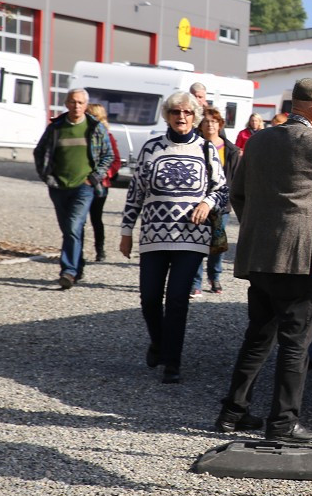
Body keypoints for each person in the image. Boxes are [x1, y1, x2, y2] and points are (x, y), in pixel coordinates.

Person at [215, 77, 312, 442]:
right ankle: (283, 423)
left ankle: (232, 413)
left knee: (258, 336)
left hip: (259, 252)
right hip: (297, 256)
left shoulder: (259, 140)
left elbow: (238, 194)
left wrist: (260, 227)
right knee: (295, 342)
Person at [119, 91, 226, 384]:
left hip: (191, 238)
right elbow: (136, 192)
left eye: (187, 113)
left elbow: (222, 189)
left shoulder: (206, 149)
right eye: (176, 112)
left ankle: (172, 363)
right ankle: (158, 342)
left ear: (195, 116)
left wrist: (207, 203)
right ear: (167, 115)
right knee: (150, 298)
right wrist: (126, 231)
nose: (181, 117)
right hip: (154, 235)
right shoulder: (151, 148)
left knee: (178, 299)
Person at [34, 88, 114, 290]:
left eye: (80, 102)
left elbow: (108, 155)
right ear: (66, 104)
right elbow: (40, 152)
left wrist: (93, 178)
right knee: (68, 230)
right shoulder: (56, 127)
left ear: (86, 105)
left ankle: (68, 271)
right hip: (59, 186)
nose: (76, 106)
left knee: (73, 227)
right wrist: (47, 176)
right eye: (73, 102)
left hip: (83, 187)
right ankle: (78, 265)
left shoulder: (94, 127)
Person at [191, 107, 241, 298]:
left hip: (221, 203)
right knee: (198, 243)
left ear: (220, 125)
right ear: (201, 125)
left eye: (214, 122)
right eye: (206, 122)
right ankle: (195, 282)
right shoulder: (195, 146)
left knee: (217, 243)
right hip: (197, 202)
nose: (210, 125)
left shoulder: (231, 150)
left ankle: (215, 277)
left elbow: (235, 179)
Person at [85, 103, 122, 262]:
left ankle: (100, 250)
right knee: (78, 218)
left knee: (95, 218)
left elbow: (115, 161)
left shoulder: (108, 136)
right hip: (81, 182)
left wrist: (104, 175)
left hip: (100, 184)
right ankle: (76, 251)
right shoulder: (83, 134)